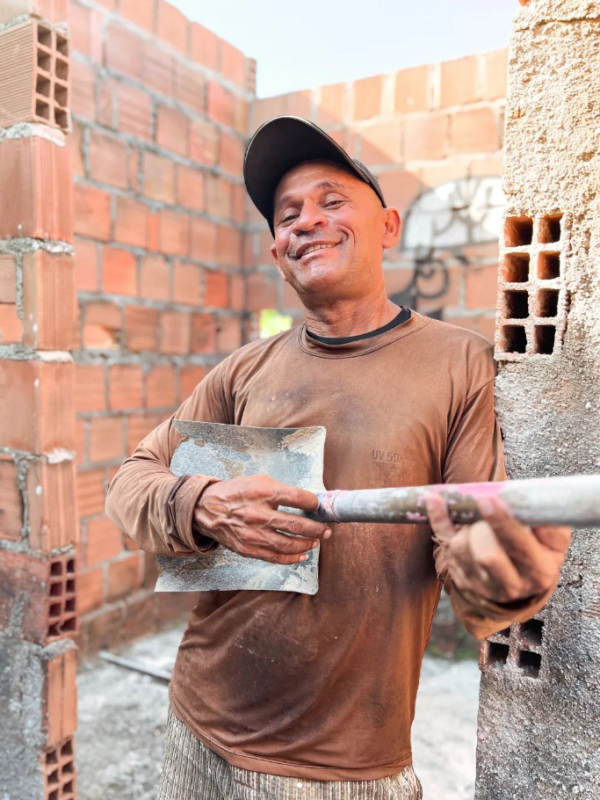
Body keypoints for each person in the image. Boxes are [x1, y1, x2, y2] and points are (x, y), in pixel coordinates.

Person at [105, 116, 571, 800]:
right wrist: (202, 504)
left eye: (331, 201)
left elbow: (474, 561)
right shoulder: (245, 370)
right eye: (288, 214)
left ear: (387, 227)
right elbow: (129, 483)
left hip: (347, 768)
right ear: (276, 252)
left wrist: (502, 577)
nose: (307, 221)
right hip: (198, 728)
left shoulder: (459, 364)